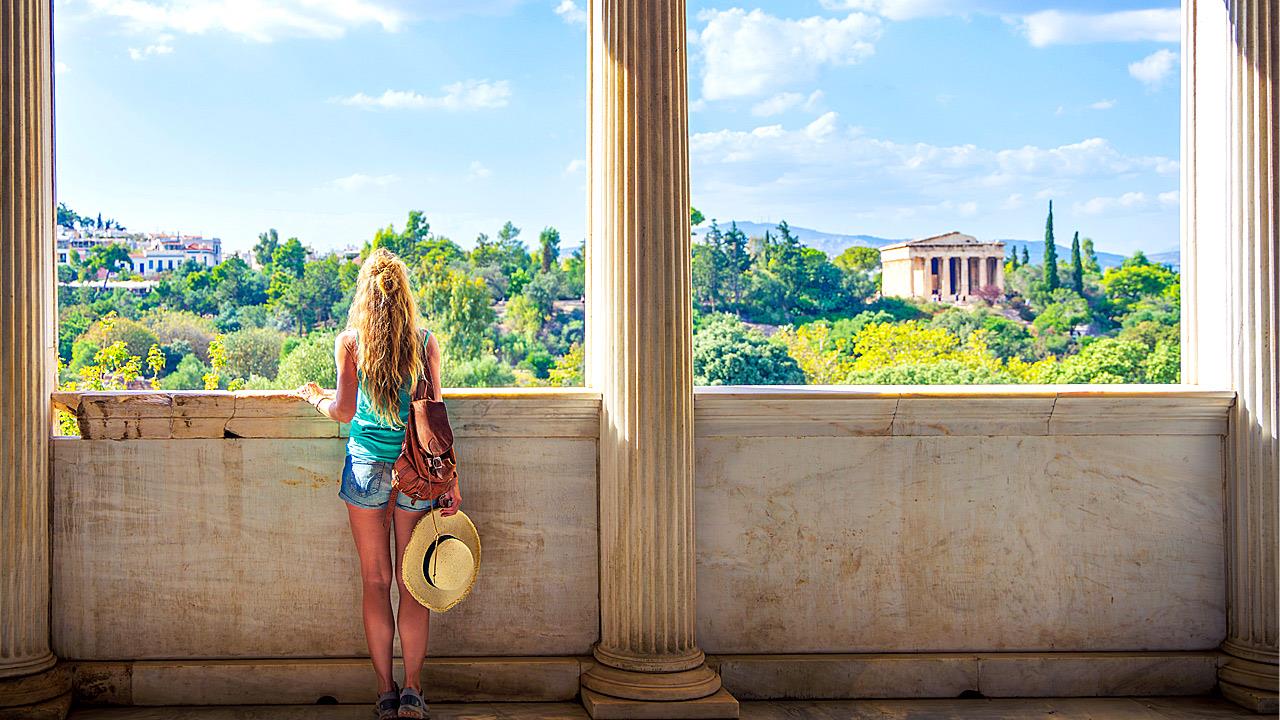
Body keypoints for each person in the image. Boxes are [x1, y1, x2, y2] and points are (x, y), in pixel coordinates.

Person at [297, 247, 460, 720]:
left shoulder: (350, 342)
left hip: (367, 468)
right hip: (415, 471)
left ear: (365, 295)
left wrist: (315, 399)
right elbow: (436, 421)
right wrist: (452, 479)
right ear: (404, 296)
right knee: (413, 585)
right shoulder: (425, 342)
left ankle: (385, 693)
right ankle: (413, 691)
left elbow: (344, 412)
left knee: (375, 582)